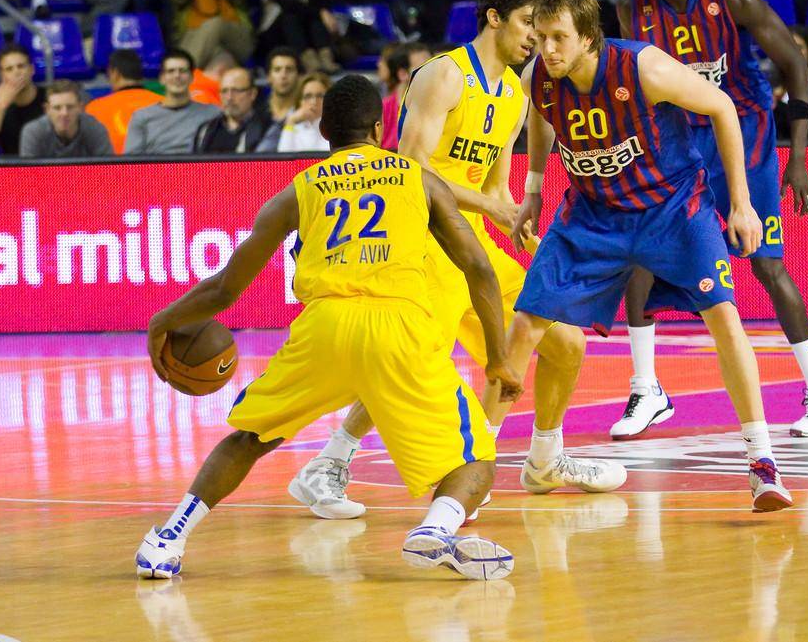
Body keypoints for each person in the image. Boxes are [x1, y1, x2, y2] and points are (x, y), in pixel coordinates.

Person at [135, 75, 521, 582]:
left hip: (324, 326)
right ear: (380, 128)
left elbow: (226, 287)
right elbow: (479, 268)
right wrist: (498, 358)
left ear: (323, 131)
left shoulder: (300, 190)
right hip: (398, 327)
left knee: (250, 438)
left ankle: (167, 539)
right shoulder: (418, 179)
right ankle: (434, 530)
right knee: (475, 461)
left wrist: (163, 320)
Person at [288, 0, 625, 520]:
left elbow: (495, 189)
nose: (535, 39)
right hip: (421, 239)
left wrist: (523, 226)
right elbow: (411, 167)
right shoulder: (443, 74)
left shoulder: (515, 94)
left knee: (565, 341)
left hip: (471, 242)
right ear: (494, 18)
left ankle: (543, 460)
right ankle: (329, 462)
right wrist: (491, 206)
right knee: (412, 359)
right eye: (526, 24)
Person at [513, 0, 793, 511]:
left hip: (672, 207)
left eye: (558, 37)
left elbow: (723, 107)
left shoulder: (644, 67)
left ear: (588, 37)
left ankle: (762, 462)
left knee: (723, 315)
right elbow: (540, 115)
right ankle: (495, 463)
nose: (545, 48)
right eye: (541, 37)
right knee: (526, 323)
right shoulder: (538, 78)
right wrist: (532, 189)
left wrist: (741, 203)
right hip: (596, 212)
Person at [618, 0, 808, 440]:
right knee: (641, 255)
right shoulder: (632, 4)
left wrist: (798, 157)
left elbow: (794, 63)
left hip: (745, 133)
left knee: (765, 263)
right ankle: (647, 389)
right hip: (681, 138)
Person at [124, 49, 222, 154]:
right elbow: (132, 161)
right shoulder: (141, 117)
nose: (177, 76)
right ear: (162, 79)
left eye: (182, 71)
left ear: (192, 78)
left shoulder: (213, 114)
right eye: (171, 71)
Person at [84, 49, 163, 153]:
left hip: (111, 163)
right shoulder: (164, 103)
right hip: (159, 162)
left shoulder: (94, 109)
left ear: (115, 73)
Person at [19, 80, 113, 158]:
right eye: (57, 108)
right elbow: (28, 173)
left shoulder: (95, 129)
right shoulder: (33, 132)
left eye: (70, 107)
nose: (64, 113)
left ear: (80, 107)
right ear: (47, 109)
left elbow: (108, 170)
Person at [194, 68, 274, 152]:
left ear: (253, 94)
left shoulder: (267, 128)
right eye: (224, 91)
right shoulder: (206, 129)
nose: (229, 98)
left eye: (236, 91)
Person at [0, 43, 46, 156]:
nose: (16, 72)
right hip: (12, 166)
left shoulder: (50, 99)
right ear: (1, 75)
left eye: (21, 66)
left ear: (31, 69)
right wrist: (1, 106)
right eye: (9, 69)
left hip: (49, 164)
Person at [380, 42, 431, 151]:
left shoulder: (439, 107)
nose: (432, 73)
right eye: (423, 68)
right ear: (403, 74)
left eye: (432, 67)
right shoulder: (381, 110)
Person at [275, 72, 333, 151]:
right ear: (300, 101)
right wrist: (290, 121)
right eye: (308, 96)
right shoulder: (293, 128)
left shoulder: (336, 127)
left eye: (320, 96)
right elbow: (283, 156)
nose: (314, 102)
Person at [261, 47, 302, 125]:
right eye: (277, 70)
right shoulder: (256, 111)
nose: (283, 76)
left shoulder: (306, 113)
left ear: (299, 76)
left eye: (289, 69)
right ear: (268, 76)